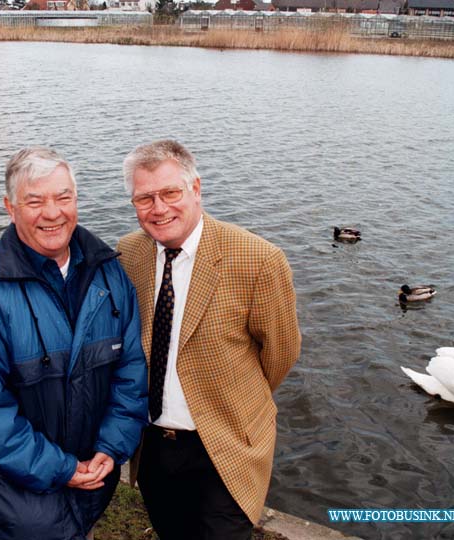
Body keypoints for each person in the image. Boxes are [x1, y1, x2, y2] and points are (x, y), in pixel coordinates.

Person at [0, 146, 148, 540]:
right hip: (24, 499)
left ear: (76, 201)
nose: (52, 213)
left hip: (92, 481)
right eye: (35, 201)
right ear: (10, 207)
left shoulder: (110, 277)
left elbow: (131, 372)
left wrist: (112, 446)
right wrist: (61, 469)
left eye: (63, 197)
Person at [117, 140, 302, 540]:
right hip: (153, 446)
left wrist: (235, 396)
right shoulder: (129, 253)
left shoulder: (258, 260)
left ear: (196, 189)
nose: (159, 208)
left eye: (170, 193)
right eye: (145, 198)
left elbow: (281, 354)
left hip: (226, 445)